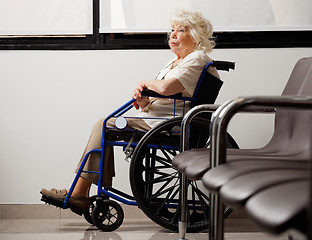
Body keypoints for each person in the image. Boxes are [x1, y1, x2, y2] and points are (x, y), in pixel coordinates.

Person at [40, 9, 219, 215]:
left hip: (165, 124)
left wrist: (144, 83)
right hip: (155, 118)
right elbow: (163, 95)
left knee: (103, 124)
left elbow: (165, 89)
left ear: (195, 36)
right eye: (171, 30)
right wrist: (144, 101)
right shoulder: (174, 62)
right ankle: (83, 191)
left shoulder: (197, 58)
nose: (173, 35)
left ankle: (80, 193)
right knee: (105, 124)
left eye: (181, 30)